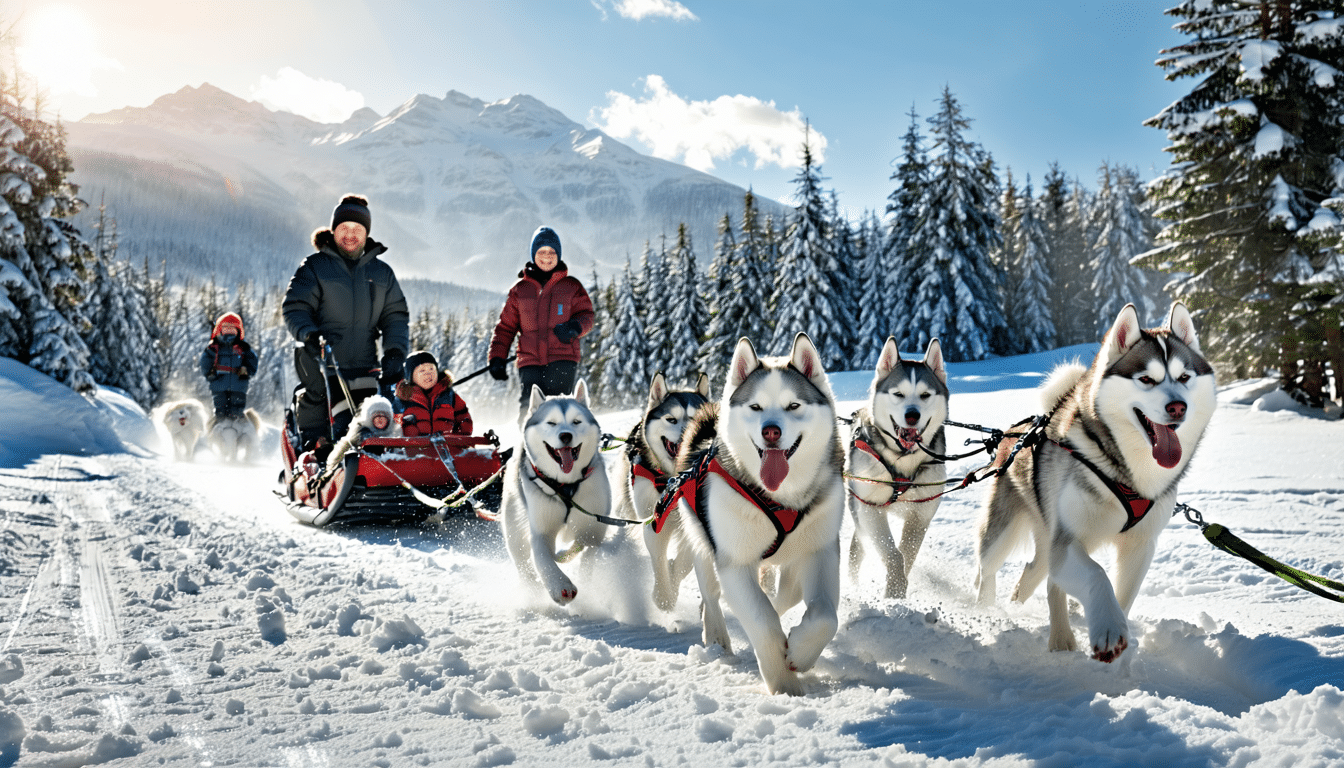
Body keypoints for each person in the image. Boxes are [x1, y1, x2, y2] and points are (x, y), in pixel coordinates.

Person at [283, 194, 410, 448]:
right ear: (333, 230)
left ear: (366, 234)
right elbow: (296, 306)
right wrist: (309, 334)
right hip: (323, 359)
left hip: (366, 363)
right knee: (321, 399)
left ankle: (377, 459)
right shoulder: (315, 266)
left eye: (357, 229)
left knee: (375, 415)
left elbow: (395, 315)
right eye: (344, 228)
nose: (350, 235)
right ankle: (313, 449)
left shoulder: (381, 272)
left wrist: (395, 351)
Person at [487, 226, 595, 417]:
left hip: (562, 358)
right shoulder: (520, 290)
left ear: (559, 255)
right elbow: (505, 328)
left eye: (552, 252)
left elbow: (586, 315)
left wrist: (574, 327)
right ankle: (525, 443)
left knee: (560, 408)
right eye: (541, 252)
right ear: (533, 254)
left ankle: (560, 446)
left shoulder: (571, 286)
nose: (547, 256)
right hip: (530, 361)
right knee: (530, 407)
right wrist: (497, 357)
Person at [394, 350, 474, 437]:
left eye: (431, 369)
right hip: (414, 447)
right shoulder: (404, 398)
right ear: (411, 377)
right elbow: (394, 426)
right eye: (422, 370)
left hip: (448, 447)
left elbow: (464, 417)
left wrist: (459, 436)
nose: (428, 373)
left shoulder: (450, 396)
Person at [198, 311, 259, 421]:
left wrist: (248, 371)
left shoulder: (243, 348)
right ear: (219, 330)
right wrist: (208, 374)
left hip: (237, 385)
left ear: (238, 331)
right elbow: (205, 362)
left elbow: (253, 361)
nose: (229, 332)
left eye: (232, 329)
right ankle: (221, 432)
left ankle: (235, 431)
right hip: (221, 384)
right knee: (221, 411)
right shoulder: (214, 348)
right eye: (226, 328)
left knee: (236, 411)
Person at [326, 395, 401, 473]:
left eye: (382, 416)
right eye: (377, 416)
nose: (380, 419)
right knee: (346, 444)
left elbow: (400, 442)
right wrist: (331, 469)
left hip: (387, 463)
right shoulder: (360, 425)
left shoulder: (393, 427)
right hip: (362, 459)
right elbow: (349, 441)